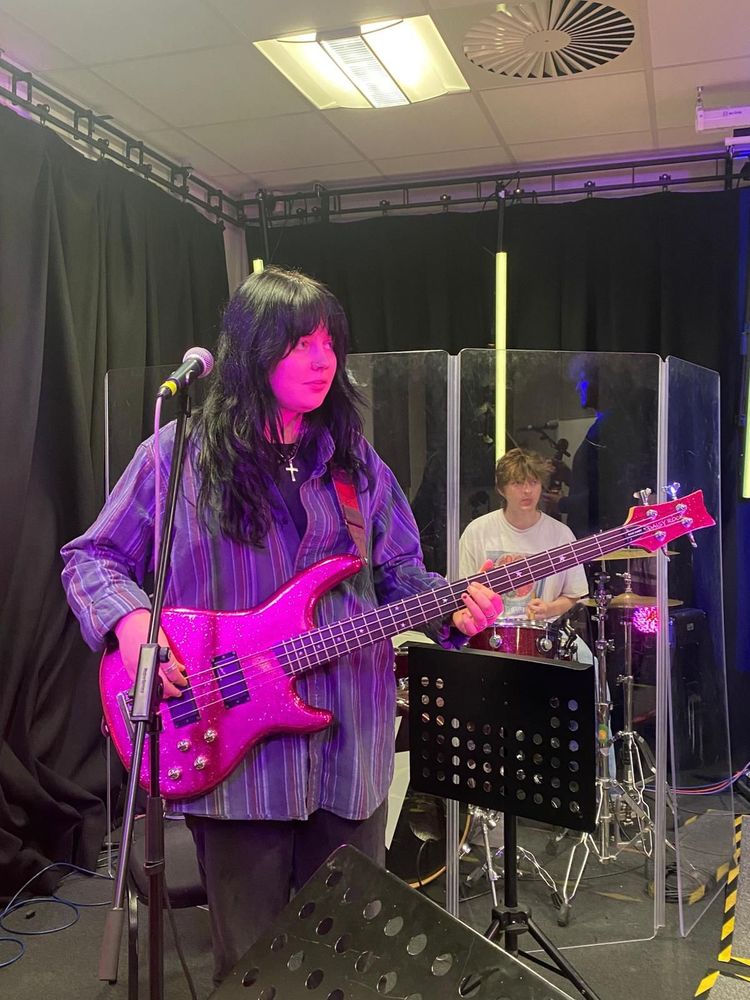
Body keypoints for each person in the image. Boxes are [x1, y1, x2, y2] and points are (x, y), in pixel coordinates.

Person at [60, 266, 502, 984]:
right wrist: (134, 623)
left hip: (351, 759)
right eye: (300, 343)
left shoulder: (358, 467)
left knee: (354, 958)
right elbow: (92, 558)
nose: (323, 359)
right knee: (254, 968)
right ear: (250, 351)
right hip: (234, 762)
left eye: (330, 341)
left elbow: (403, 576)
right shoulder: (177, 459)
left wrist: (453, 605)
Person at [459, 448, 588, 623]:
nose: (527, 490)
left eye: (533, 482)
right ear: (501, 489)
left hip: (544, 635)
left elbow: (574, 595)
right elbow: (460, 594)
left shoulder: (561, 534)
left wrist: (549, 609)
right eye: (518, 483)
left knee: (585, 652)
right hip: (490, 633)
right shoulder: (477, 531)